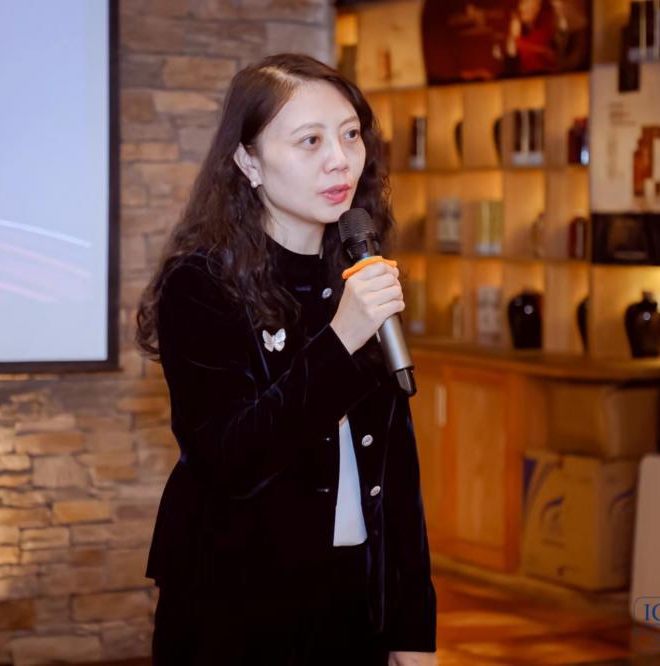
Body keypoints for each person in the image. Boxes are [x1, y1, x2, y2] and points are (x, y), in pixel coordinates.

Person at [136, 53, 437, 665]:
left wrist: (413, 628)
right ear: (248, 161)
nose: (340, 160)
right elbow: (229, 460)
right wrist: (340, 339)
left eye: (350, 135)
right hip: (236, 605)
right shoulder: (200, 285)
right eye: (310, 141)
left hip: (353, 602)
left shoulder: (356, 269)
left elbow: (397, 468)